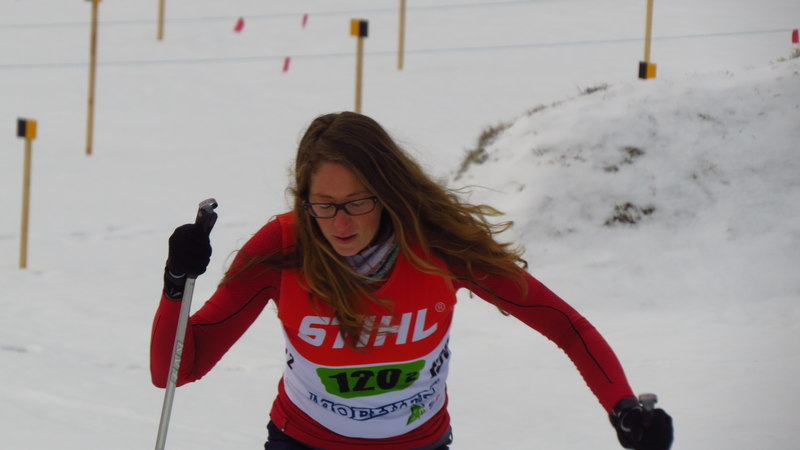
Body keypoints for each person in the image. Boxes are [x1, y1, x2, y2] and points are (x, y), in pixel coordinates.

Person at [150, 111, 673, 449]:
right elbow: (176, 368)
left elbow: (565, 325)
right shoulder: (284, 247)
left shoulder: (439, 244)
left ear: (387, 191)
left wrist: (622, 406)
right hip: (303, 441)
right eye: (324, 205)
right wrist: (176, 281)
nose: (341, 223)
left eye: (358, 202)